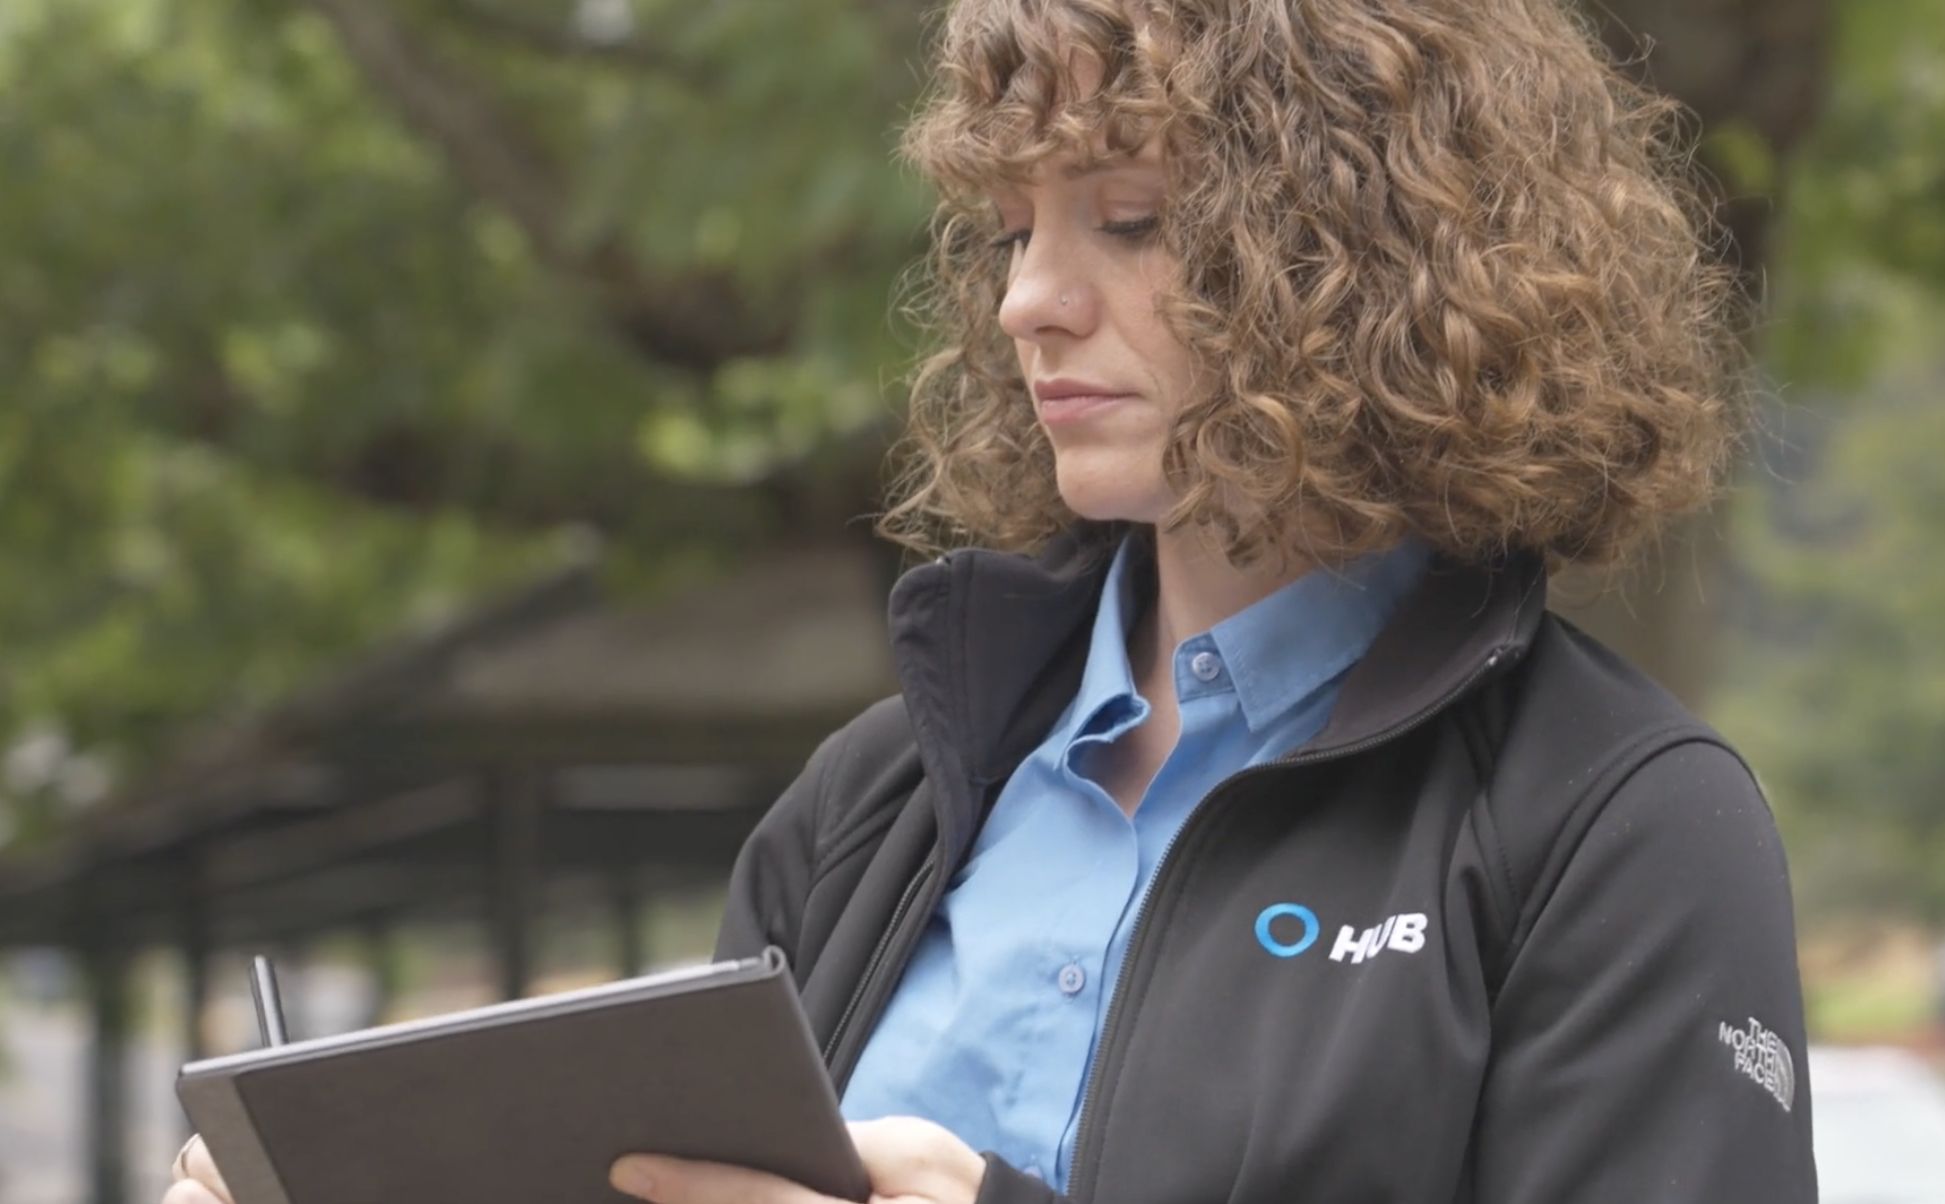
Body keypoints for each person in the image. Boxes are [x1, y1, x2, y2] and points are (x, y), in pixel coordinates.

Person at [166, 0, 1816, 1201]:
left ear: (1381, 259)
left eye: (1132, 218)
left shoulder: (1620, 826)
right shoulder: (864, 805)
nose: (1028, 298)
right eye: (1012, 225)